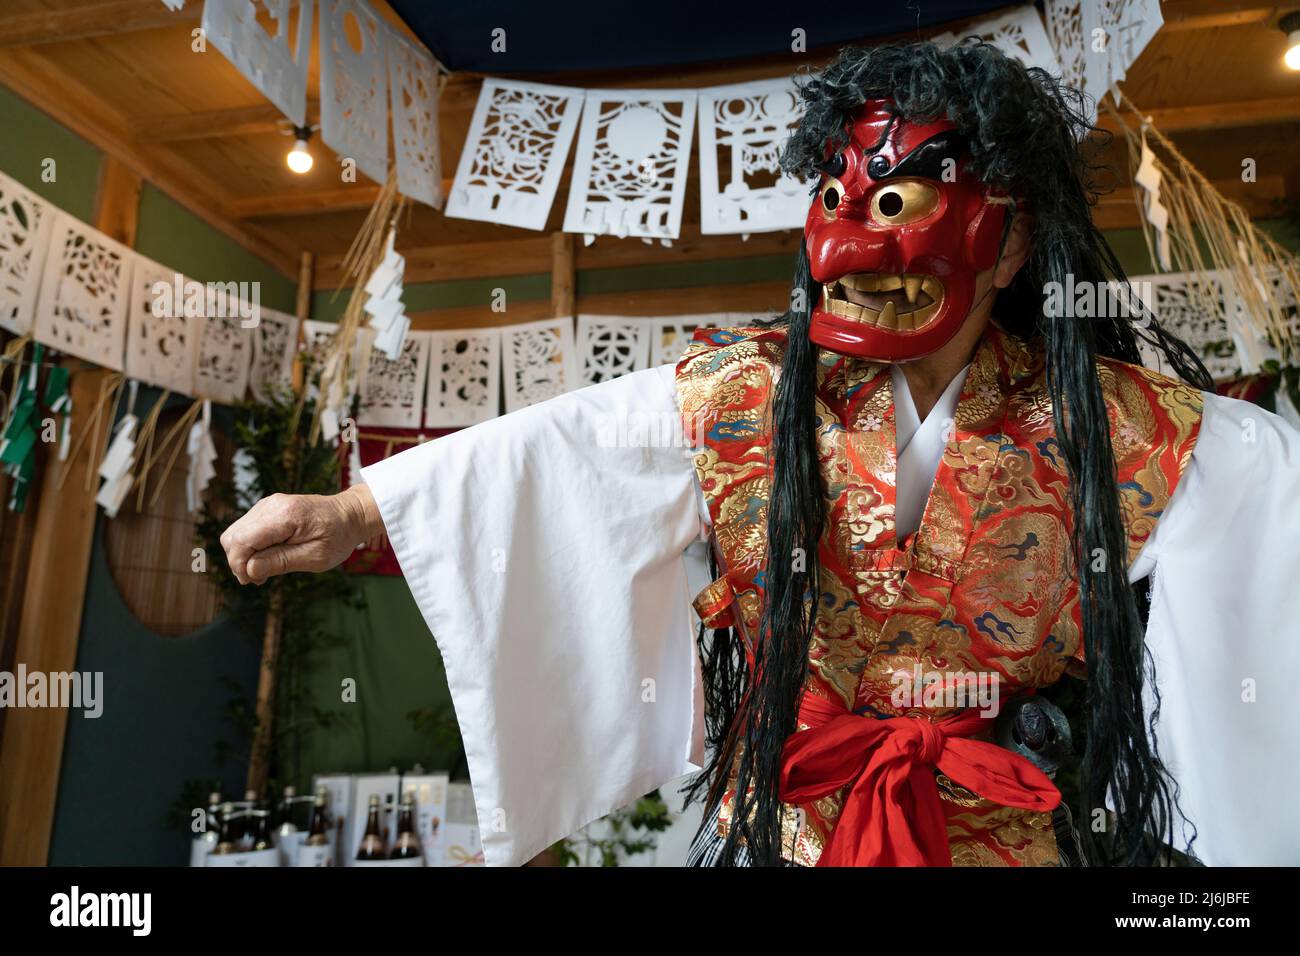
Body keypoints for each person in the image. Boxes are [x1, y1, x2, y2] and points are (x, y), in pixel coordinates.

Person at [221, 41, 1300, 867]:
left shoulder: (1118, 428)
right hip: (788, 822)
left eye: (893, 204)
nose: (849, 247)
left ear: (1008, 237)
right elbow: (573, 447)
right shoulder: (755, 395)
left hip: (994, 821)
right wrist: (357, 513)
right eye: (834, 204)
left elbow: (1267, 503)